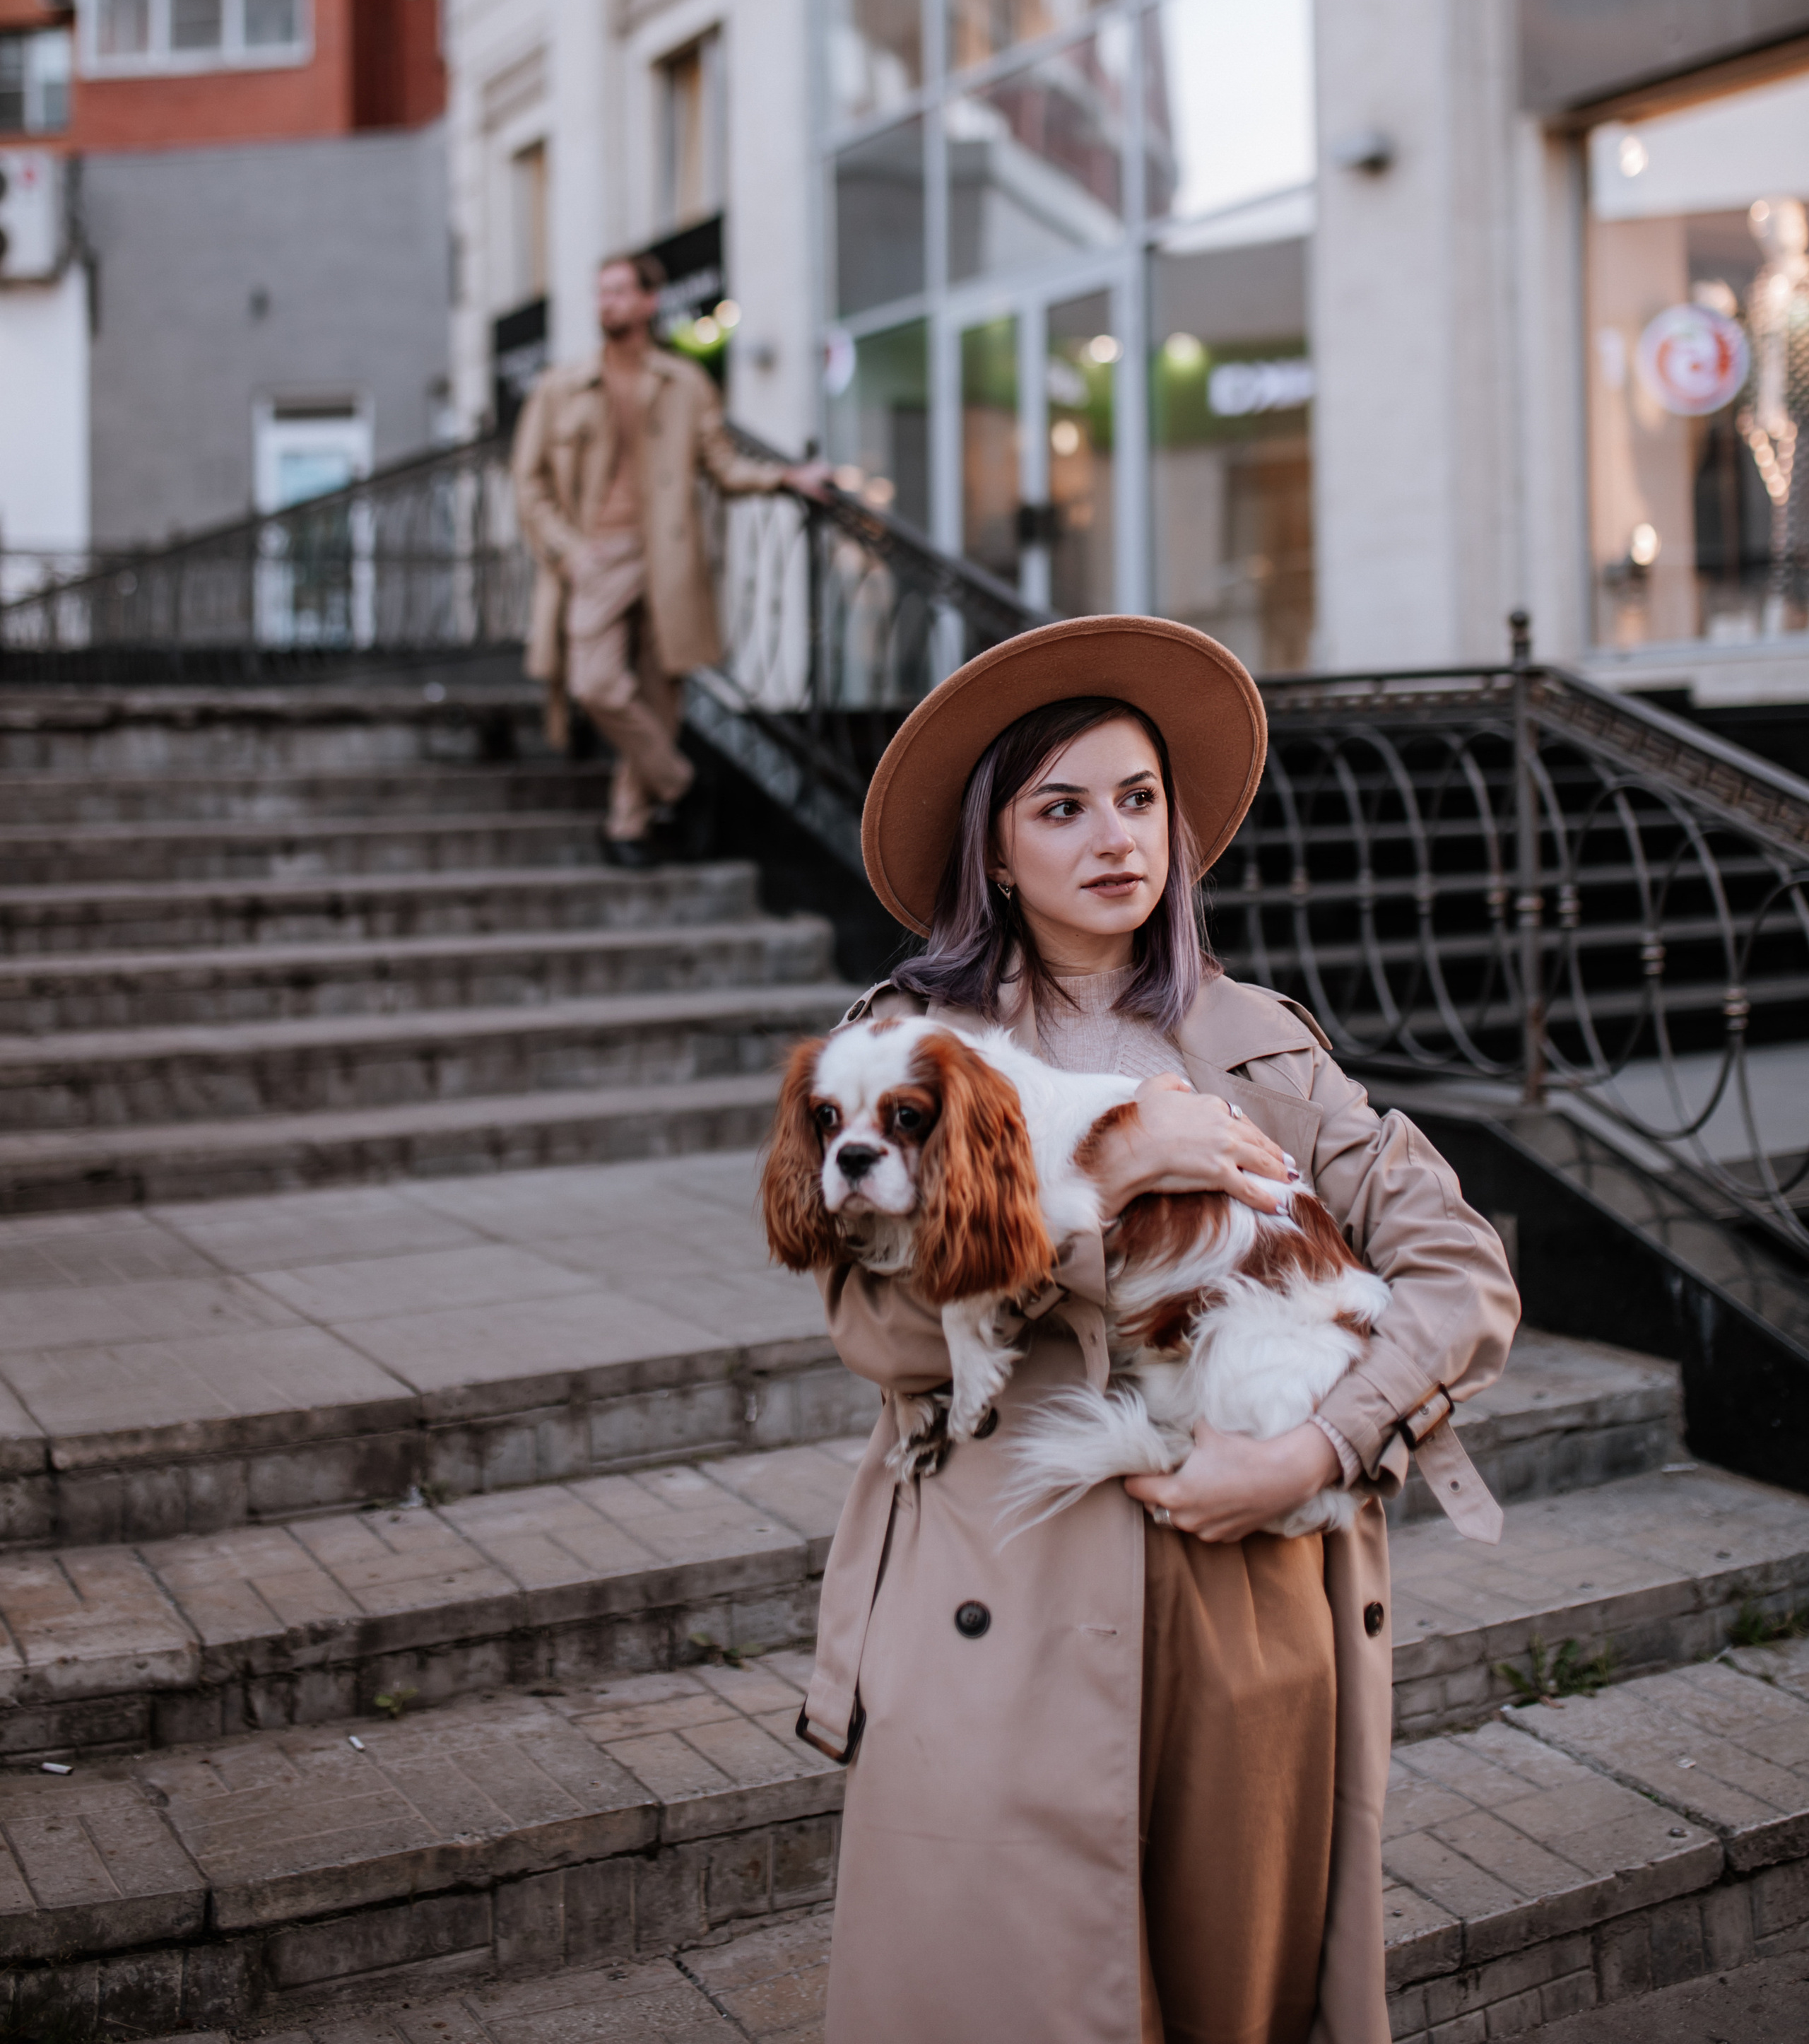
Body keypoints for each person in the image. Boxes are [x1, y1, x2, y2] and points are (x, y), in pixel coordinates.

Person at [794, 615, 1520, 2044]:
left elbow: (1459, 1272)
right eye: (1060, 807)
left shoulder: (1261, 1041)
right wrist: (1115, 1179)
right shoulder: (907, 1049)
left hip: (1249, 1582)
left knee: (1230, 1990)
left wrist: (1319, 1447)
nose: (1113, 837)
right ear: (997, 852)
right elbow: (881, 1337)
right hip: (1000, 1583)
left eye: (1137, 798)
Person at [511, 252, 828, 864]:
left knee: (661, 696)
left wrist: (785, 477)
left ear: (649, 301)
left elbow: (722, 465)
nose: (607, 303)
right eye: (601, 293)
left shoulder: (685, 383)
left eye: (620, 292)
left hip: (669, 558)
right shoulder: (560, 387)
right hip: (594, 556)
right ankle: (682, 782)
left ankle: (627, 826)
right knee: (595, 684)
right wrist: (566, 550)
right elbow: (528, 483)